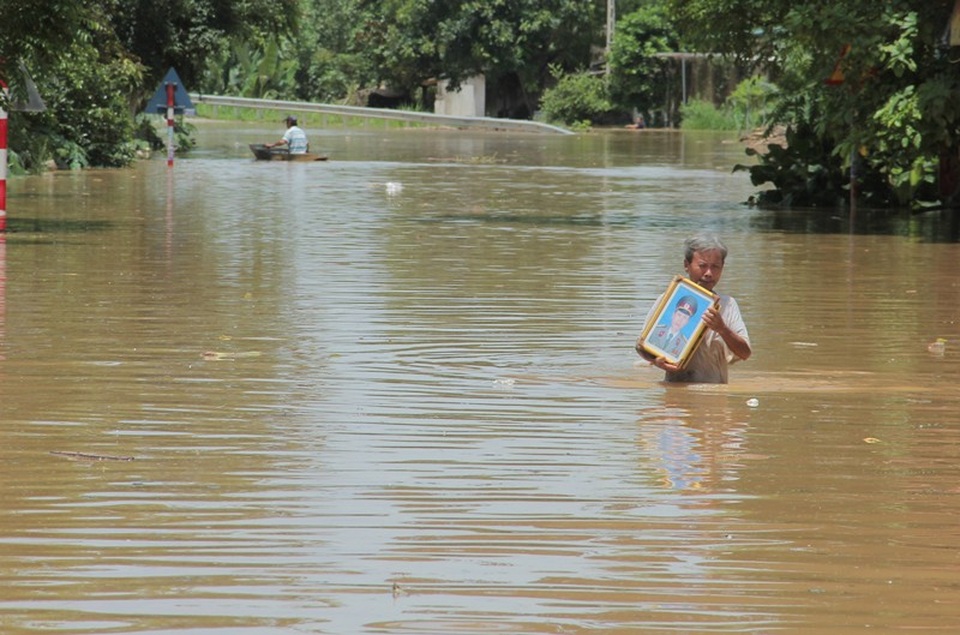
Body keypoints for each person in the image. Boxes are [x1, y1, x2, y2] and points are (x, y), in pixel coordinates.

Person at [636, 234, 751, 383]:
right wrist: (656, 361)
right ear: (687, 265)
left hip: (714, 392)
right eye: (702, 266)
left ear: (722, 268)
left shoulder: (727, 305)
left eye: (715, 267)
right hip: (675, 391)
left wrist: (722, 329)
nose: (708, 273)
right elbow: (642, 346)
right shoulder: (669, 299)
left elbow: (745, 353)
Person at [645, 295, 699, 359]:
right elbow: (640, 346)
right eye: (679, 315)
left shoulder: (684, 345)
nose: (680, 320)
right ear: (673, 315)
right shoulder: (655, 330)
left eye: (684, 317)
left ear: (687, 322)